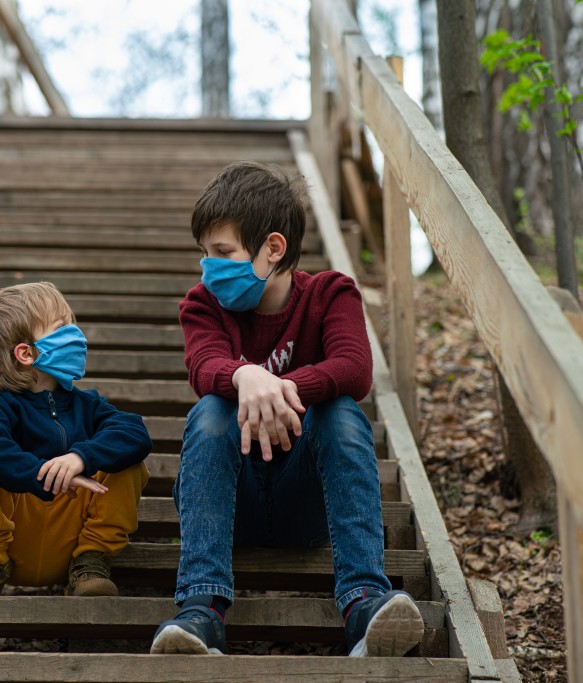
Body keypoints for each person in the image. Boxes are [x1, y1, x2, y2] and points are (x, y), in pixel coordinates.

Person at [150, 162, 424, 657]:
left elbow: (355, 369)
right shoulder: (203, 303)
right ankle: (201, 611)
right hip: (234, 505)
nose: (208, 268)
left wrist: (274, 387)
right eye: (204, 255)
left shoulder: (330, 294)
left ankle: (364, 601)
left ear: (272, 248)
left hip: (309, 503)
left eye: (222, 253)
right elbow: (202, 366)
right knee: (210, 411)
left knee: (341, 413)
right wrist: (242, 375)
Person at [0, 282, 152, 598]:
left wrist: (80, 458)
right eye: (63, 326)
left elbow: (135, 433)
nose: (77, 334)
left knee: (128, 461)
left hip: (76, 534)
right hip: (13, 540)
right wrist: (42, 475)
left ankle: (92, 562)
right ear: (26, 353)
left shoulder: (88, 404)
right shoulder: (3, 405)